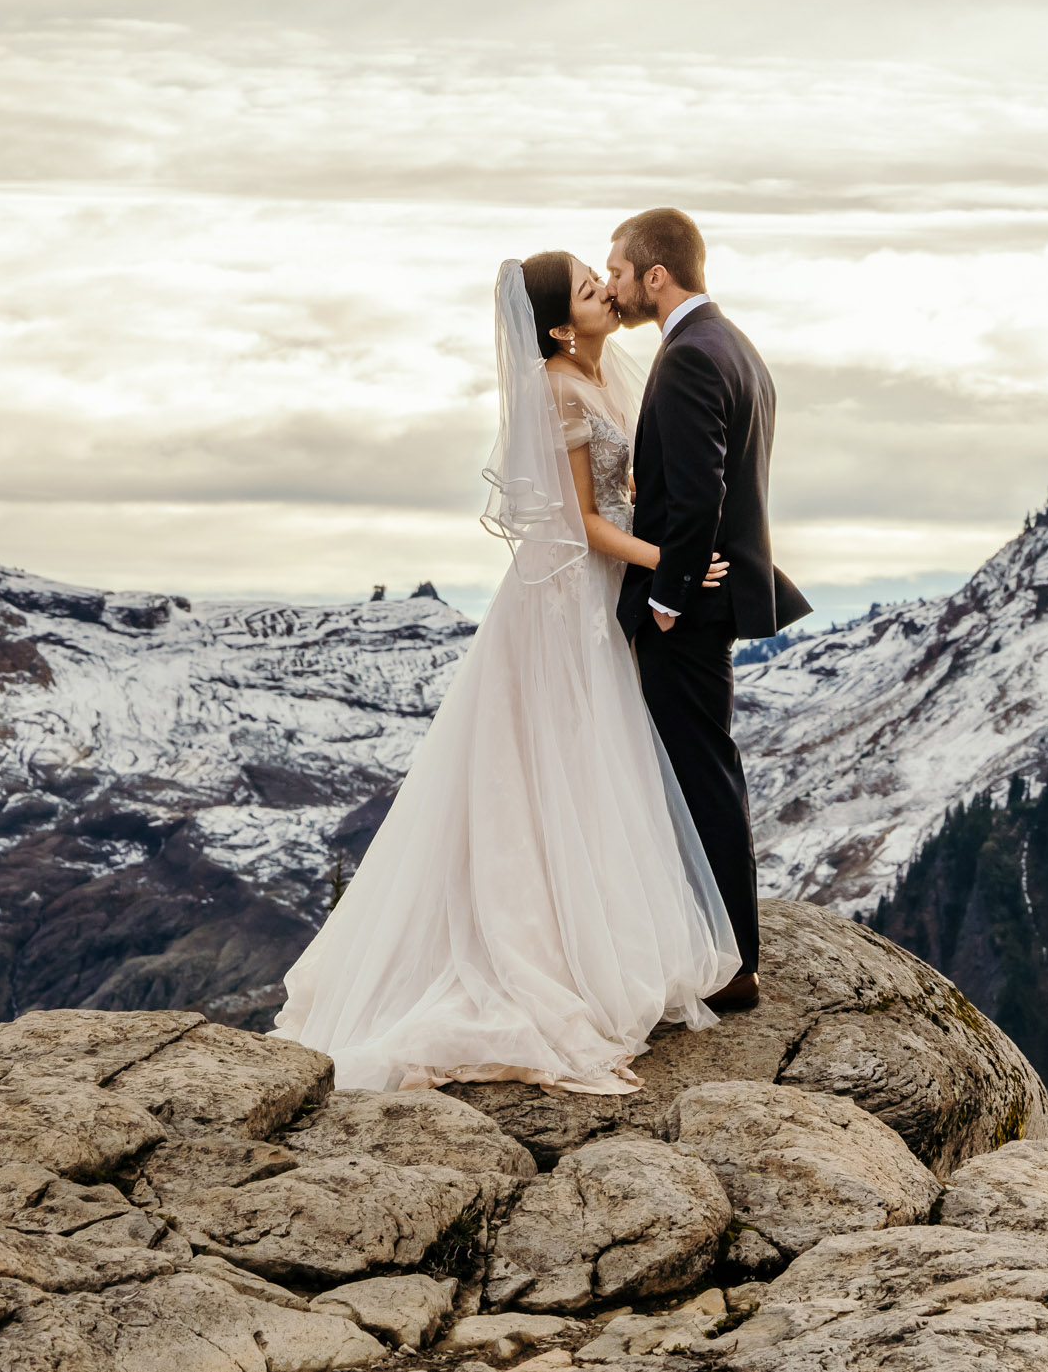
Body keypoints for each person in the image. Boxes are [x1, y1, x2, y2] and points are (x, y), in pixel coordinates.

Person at [272, 252, 743, 1093]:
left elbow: (628, 488)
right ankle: (545, 947)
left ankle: (594, 926)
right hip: (564, 597)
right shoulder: (558, 387)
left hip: (602, 595)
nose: (607, 293)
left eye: (605, 280)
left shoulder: (604, 378)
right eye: (592, 291)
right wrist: (673, 561)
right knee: (556, 762)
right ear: (561, 325)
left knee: (595, 764)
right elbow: (583, 523)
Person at [607, 208, 811, 1008]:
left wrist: (665, 598)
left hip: (690, 606)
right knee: (704, 765)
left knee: (699, 772)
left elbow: (699, 498)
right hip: (715, 597)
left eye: (618, 271)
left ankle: (731, 965)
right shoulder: (733, 345)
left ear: (656, 275)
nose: (614, 285)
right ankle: (723, 947)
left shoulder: (690, 355)